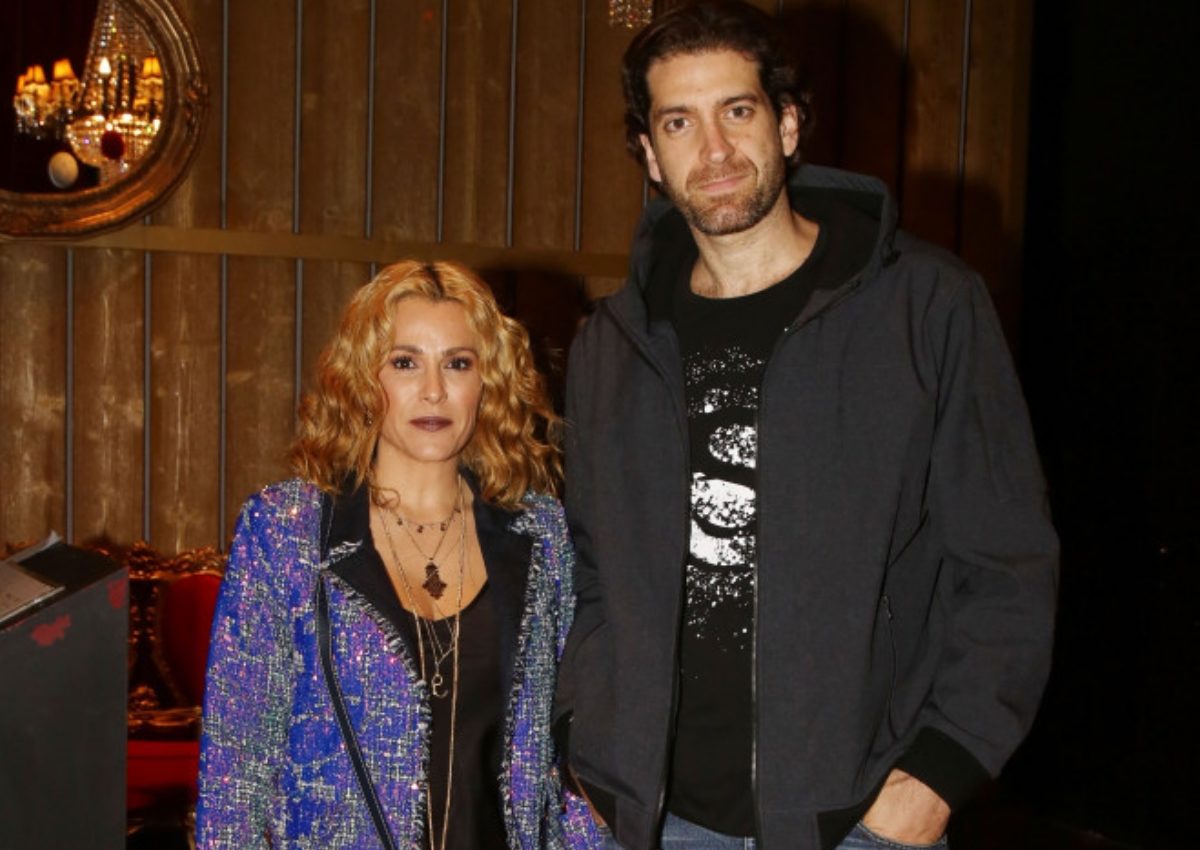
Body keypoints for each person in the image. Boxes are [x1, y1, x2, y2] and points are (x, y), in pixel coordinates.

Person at [552, 3, 1059, 849]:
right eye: (679, 122)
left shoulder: (924, 307)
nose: (714, 150)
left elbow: (1007, 562)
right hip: (660, 819)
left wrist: (941, 773)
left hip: (859, 815)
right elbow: (593, 569)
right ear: (649, 153)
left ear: (787, 124)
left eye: (737, 110)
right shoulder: (614, 344)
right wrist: (591, 739)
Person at [196, 261, 600, 850]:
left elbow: (566, 755)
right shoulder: (287, 531)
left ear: (487, 382)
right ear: (364, 378)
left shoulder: (540, 534)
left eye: (458, 363)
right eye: (405, 362)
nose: (433, 390)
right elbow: (235, 771)